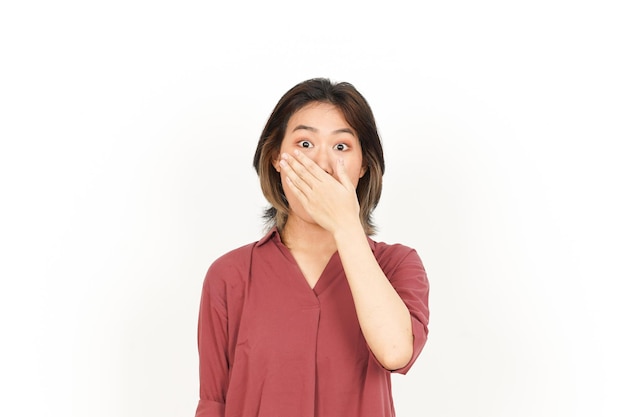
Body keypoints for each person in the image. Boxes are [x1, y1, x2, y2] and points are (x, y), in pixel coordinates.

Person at [194, 78, 430, 417]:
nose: (321, 164)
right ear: (276, 157)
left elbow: (395, 351)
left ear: (363, 165)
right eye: (305, 143)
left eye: (341, 147)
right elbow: (214, 402)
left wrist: (345, 224)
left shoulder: (396, 265)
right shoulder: (229, 277)